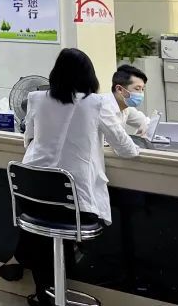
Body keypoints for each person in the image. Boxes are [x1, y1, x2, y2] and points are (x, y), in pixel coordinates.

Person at [15, 48, 140, 306]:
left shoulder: (36, 99)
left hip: (32, 202)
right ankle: (52, 291)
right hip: (75, 211)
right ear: (90, 76)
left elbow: (29, 140)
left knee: (40, 236)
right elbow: (127, 149)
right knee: (60, 225)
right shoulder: (98, 104)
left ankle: (45, 292)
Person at [112, 64, 150, 136]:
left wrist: (146, 126)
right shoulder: (104, 109)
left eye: (142, 89)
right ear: (119, 89)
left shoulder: (126, 107)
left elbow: (145, 121)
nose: (141, 94)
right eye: (137, 89)